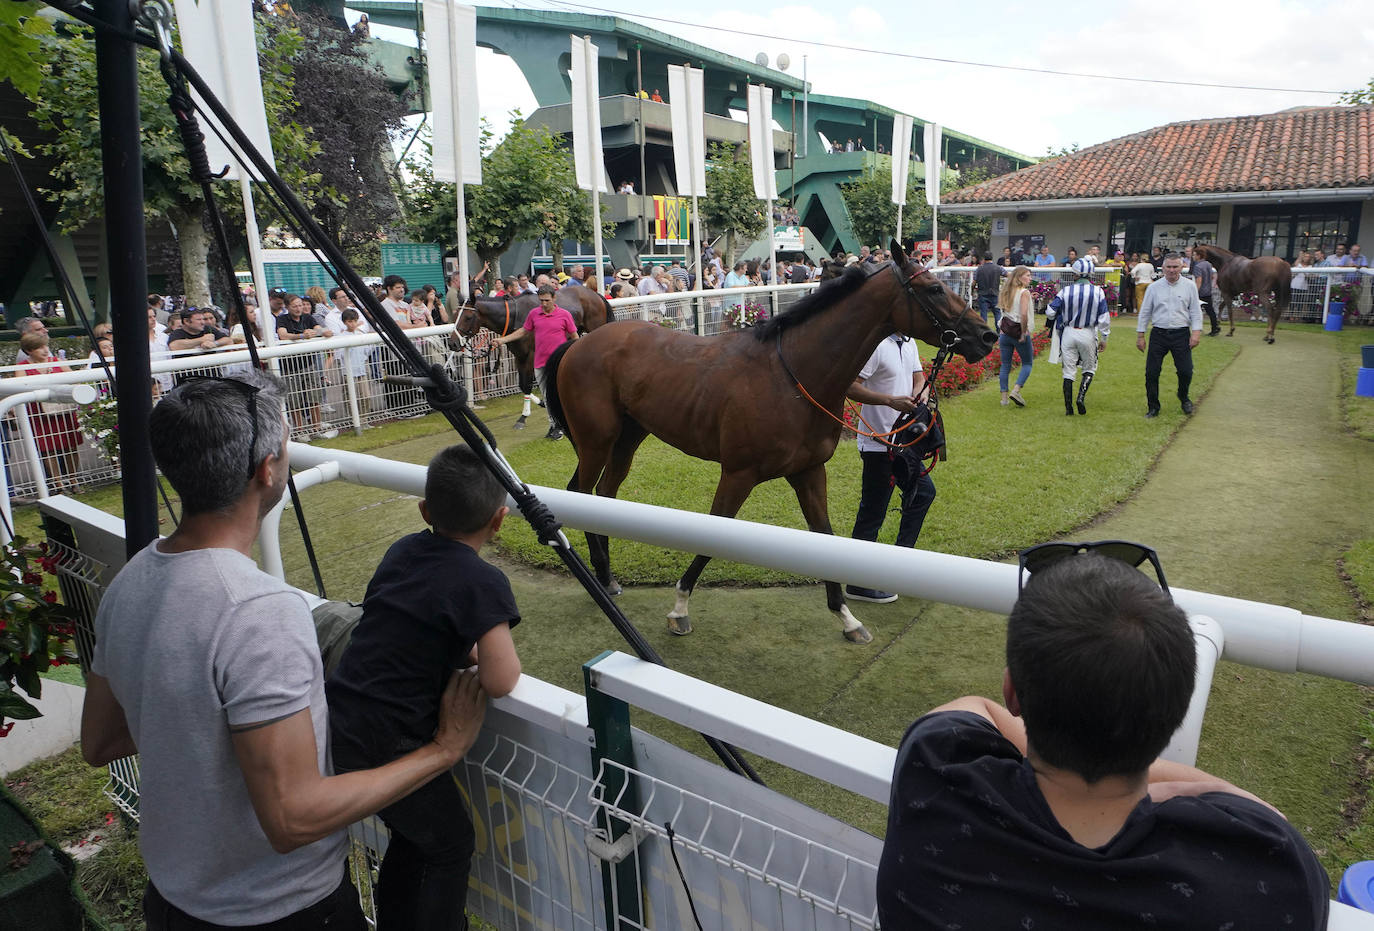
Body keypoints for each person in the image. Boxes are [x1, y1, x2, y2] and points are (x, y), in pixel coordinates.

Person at [80, 373, 490, 929]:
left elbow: (100, 740)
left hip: (174, 902)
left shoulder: (131, 582)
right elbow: (293, 819)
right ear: (267, 469)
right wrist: (443, 749)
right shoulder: (258, 611)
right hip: (281, 910)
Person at [876, 547, 1329, 929]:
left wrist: (1174, 788)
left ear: (1013, 692)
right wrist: (1196, 790)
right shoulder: (1269, 867)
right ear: (1175, 712)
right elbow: (1267, 816)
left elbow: (973, 709)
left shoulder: (934, 771)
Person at [328, 444, 521, 930]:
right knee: (449, 843)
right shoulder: (482, 581)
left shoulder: (403, 551)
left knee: (414, 837)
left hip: (339, 717)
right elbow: (501, 679)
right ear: (498, 521)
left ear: (424, 511)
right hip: (394, 740)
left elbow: (410, 621)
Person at [843, 332, 934, 604]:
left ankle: (898, 564)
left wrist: (922, 393)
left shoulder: (909, 342)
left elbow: (919, 376)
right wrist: (889, 401)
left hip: (903, 443)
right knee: (873, 512)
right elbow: (850, 387)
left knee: (923, 493)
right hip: (878, 444)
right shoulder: (876, 345)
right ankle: (857, 584)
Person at [493, 284, 577, 439]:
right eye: (541, 301)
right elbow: (523, 331)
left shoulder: (564, 315)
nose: (544, 304)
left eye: (546, 300)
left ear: (554, 298)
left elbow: (574, 337)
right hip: (540, 364)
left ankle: (562, 425)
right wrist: (502, 340)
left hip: (559, 363)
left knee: (560, 395)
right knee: (548, 396)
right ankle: (555, 426)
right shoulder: (534, 314)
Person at [1137, 252, 1202, 418]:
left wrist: (1196, 333)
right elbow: (1145, 312)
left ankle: (1183, 396)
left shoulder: (1189, 286)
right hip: (1159, 333)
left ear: (1182, 267)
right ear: (1163, 268)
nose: (1172, 270)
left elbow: (1195, 311)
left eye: (1175, 267)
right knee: (1151, 372)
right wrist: (1140, 335)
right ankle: (1153, 407)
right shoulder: (1153, 288)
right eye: (1169, 267)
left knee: (1186, 371)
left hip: (1181, 333)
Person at [18, 331, 84, 492]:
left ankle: (73, 481)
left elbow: (74, 379)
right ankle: (58, 484)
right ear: (29, 350)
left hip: (64, 409)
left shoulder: (57, 361)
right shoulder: (22, 367)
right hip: (39, 413)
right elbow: (20, 387)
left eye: (45, 346)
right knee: (49, 449)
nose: (44, 350)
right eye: (39, 347)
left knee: (70, 446)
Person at [1046, 258, 1110, 416]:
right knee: (1089, 368)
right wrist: (1105, 338)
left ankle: (1069, 408)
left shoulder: (1065, 291)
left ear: (1075, 274)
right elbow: (1104, 318)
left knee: (1068, 371)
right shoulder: (1098, 292)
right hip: (1088, 332)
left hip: (1068, 332)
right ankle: (1080, 397)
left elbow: (1050, 312)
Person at [275, 293, 337, 439]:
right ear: (287, 307)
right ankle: (301, 431)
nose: (298, 308)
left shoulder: (308, 317)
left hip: (308, 364)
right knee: (295, 400)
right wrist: (302, 336)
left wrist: (322, 331)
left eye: (300, 305)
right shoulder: (282, 319)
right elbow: (282, 335)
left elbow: (318, 328)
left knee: (314, 397)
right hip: (289, 366)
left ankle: (316, 427)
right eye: (295, 306)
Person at [996, 265, 1035, 407]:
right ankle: (1016, 390)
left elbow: (1004, 312)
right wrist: (1024, 332)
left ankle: (1004, 398)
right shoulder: (1024, 292)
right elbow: (1023, 314)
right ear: (1019, 277)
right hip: (1018, 331)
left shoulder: (1006, 291)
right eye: (1028, 275)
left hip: (1005, 331)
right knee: (1027, 363)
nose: (1030, 278)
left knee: (1005, 365)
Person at [1189, 245, 1219, 336]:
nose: (1193, 257)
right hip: (1208, 290)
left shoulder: (1197, 266)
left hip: (1201, 292)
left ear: (1199, 255)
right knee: (1210, 311)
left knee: (1194, 311)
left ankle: (1196, 328)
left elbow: (1199, 280)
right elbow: (1211, 276)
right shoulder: (1208, 264)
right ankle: (1215, 328)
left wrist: (1195, 292)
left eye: (1194, 255)